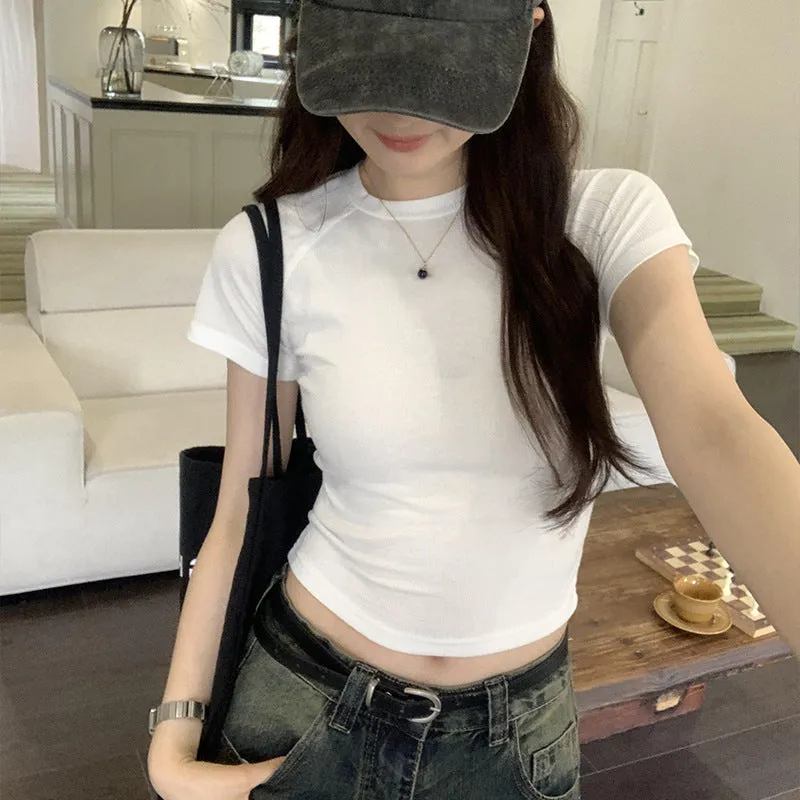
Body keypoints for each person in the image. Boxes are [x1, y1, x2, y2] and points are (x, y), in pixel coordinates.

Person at [146, 2, 800, 799]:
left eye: (440, 66)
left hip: (517, 736)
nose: (400, 108)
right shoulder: (271, 246)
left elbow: (716, 432)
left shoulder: (602, 220)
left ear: (528, 25)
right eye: (369, 59)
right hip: (305, 702)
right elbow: (239, 509)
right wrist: (173, 745)